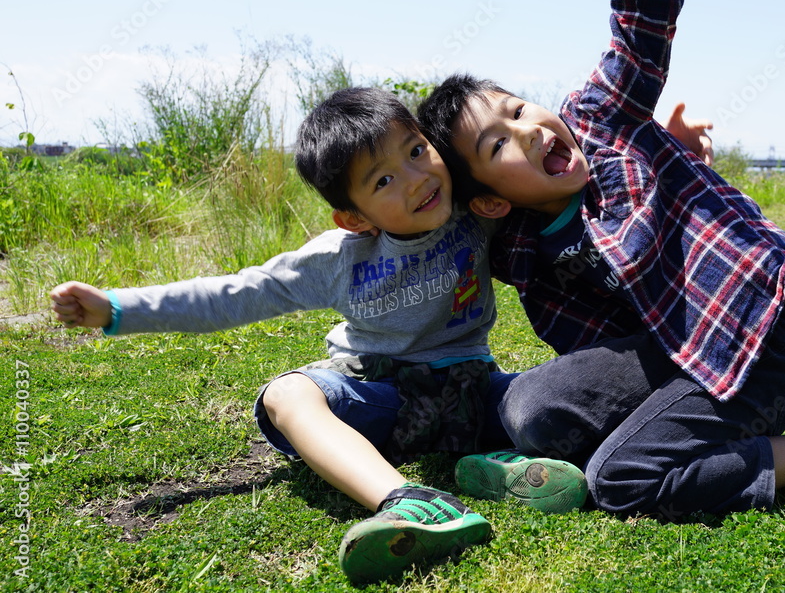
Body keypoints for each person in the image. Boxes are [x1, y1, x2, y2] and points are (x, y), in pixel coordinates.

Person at [418, 0, 785, 521]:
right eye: (498, 142)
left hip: (774, 324)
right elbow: (418, 215)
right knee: (532, 410)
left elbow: (643, 11)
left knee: (621, 479)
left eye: (519, 108)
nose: (528, 129)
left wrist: (664, 150)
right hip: (684, 351)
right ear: (491, 202)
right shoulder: (516, 250)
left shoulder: (601, 121)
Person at [48, 87, 590, 585]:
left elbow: (553, 186)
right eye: (383, 180)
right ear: (353, 218)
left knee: (541, 397)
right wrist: (117, 308)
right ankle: (408, 501)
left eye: (416, 151)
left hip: (471, 389)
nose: (416, 178)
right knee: (286, 395)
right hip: (375, 396)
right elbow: (233, 293)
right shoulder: (339, 258)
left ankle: (488, 465)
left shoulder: (478, 214)